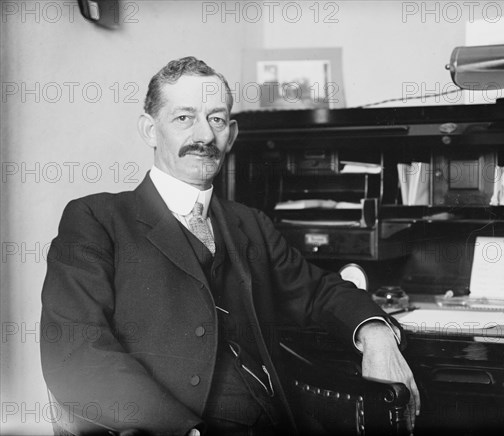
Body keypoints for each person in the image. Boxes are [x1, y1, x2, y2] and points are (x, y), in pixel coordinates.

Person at [40, 56, 420, 436]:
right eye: (184, 118)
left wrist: (375, 332)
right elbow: (75, 354)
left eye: (217, 119)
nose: (204, 136)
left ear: (232, 134)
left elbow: (319, 291)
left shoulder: (250, 223)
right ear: (150, 130)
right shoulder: (96, 219)